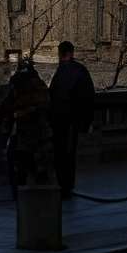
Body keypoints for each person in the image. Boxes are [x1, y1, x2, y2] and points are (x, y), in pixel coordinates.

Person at [48, 41, 97, 199]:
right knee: (69, 153)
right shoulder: (79, 70)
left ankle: (63, 184)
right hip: (73, 119)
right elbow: (89, 97)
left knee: (60, 153)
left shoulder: (61, 72)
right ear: (72, 52)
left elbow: (52, 96)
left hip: (60, 119)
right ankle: (67, 185)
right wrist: (87, 121)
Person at [1, 63, 53, 191]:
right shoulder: (41, 86)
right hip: (42, 132)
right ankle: (42, 187)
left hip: (25, 132)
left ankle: (21, 189)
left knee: (21, 162)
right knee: (41, 163)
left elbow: (7, 105)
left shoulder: (18, 85)